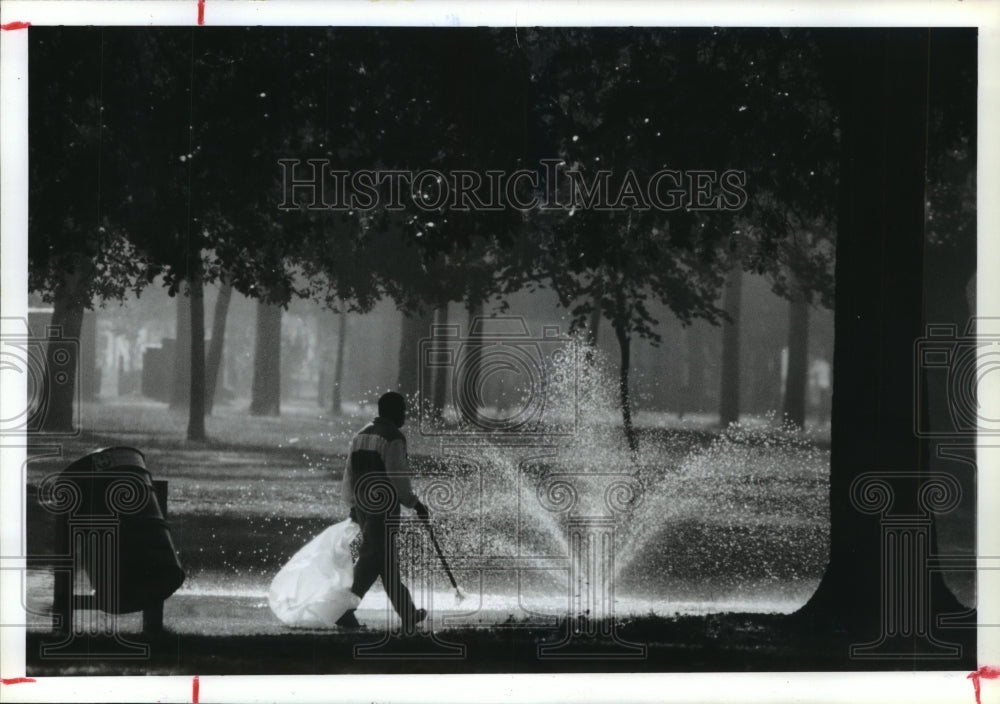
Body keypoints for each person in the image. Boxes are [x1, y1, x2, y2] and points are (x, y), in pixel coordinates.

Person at [335, 391, 430, 630]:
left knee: (386, 562)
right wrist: (414, 503)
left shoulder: (361, 435)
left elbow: (350, 473)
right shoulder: (393, 437)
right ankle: (344, 611)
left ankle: (408, 613)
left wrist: (353, 505)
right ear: (392, 411)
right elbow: (398, 477)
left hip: (364, 506)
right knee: (372, 560)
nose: (405, 415)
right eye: (403, 410)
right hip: (384, 509)